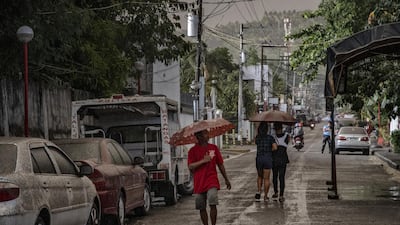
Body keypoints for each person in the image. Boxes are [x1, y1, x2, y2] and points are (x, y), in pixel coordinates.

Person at [188, 129, 231, 225]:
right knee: (201, 206)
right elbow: (190, 166)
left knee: (213, 202)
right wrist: (203, 161)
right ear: (198, 136)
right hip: (199, 182)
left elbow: (220, 164)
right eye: (205, 133)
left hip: (212, 181)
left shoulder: (213, 148)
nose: (208, 135)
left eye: (207, 133)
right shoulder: (192, 151)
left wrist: (226, 179)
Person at [255, 122, 278, 202]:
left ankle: (258, 191)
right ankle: (265, 196)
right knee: (266, 178)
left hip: (259, 158)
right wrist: (269, 150)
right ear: (267, 129)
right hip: (267, 158)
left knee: (259, 176)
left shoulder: (257, 137)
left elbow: (256, 143)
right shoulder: (270, 138)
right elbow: (275, 147)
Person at [272, 123, 290, 202]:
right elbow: (287, 143)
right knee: (281, 177)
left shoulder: (272, 137)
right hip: (283, 159)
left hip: (274, 159)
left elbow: (272, 147)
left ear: (275, 129)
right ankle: (281, 195)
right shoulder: (287, 136)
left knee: (275, 177)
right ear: (281, 128)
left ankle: (276, 192)